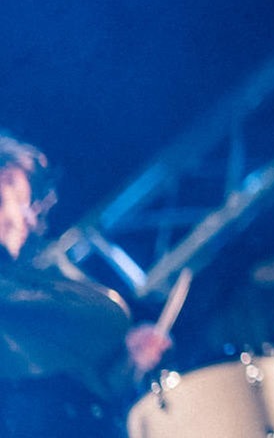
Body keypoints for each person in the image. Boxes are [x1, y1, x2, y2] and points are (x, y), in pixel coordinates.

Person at [1, 132, 171, 437]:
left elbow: (79, 385)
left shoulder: (21, 305)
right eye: (14, 188)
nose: (29, 219)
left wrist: (128, 362)